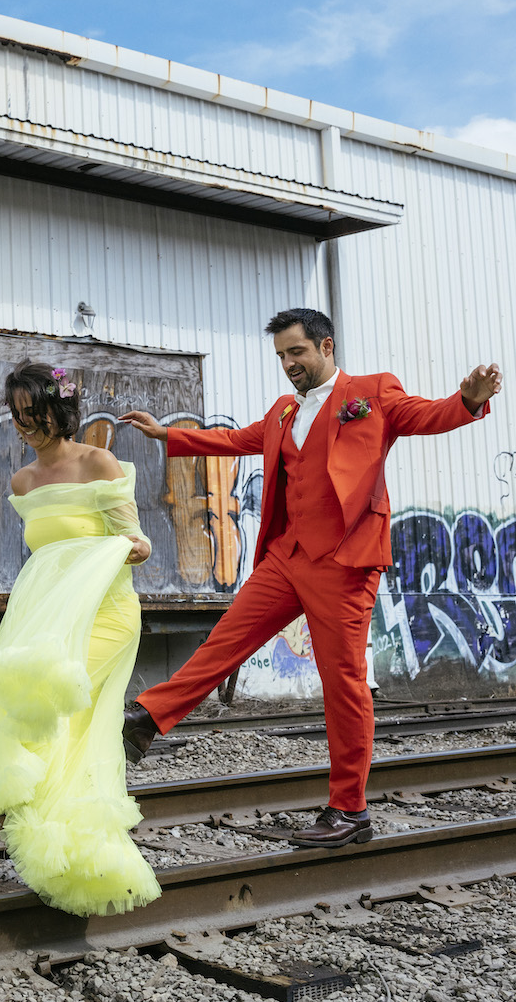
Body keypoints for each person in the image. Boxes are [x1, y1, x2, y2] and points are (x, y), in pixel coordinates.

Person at [121, 309, 502, 846]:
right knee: (226, 639)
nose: (287, 364)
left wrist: (469, 401)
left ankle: (349, 812)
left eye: (296, 352)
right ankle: (146, 720)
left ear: (325, 346)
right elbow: (239, 441)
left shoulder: (372, 392)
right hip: (286, 555)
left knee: (342, 684)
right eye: (280, 355)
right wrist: (170, 435)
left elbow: (427, 415)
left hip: (344, 563)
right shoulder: (283, 412)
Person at [0, 360, 161, 917]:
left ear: (60, 409)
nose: (25, 424)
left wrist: (96, 554)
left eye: (34, 413)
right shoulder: (23, 482)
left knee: (57, 717)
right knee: (45, 722)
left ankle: (38, 823)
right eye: (18, 415)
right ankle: (64, 848)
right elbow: (43, 561)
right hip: (51, 617)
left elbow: (138, 544)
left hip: (106, 615)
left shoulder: (99, 462)